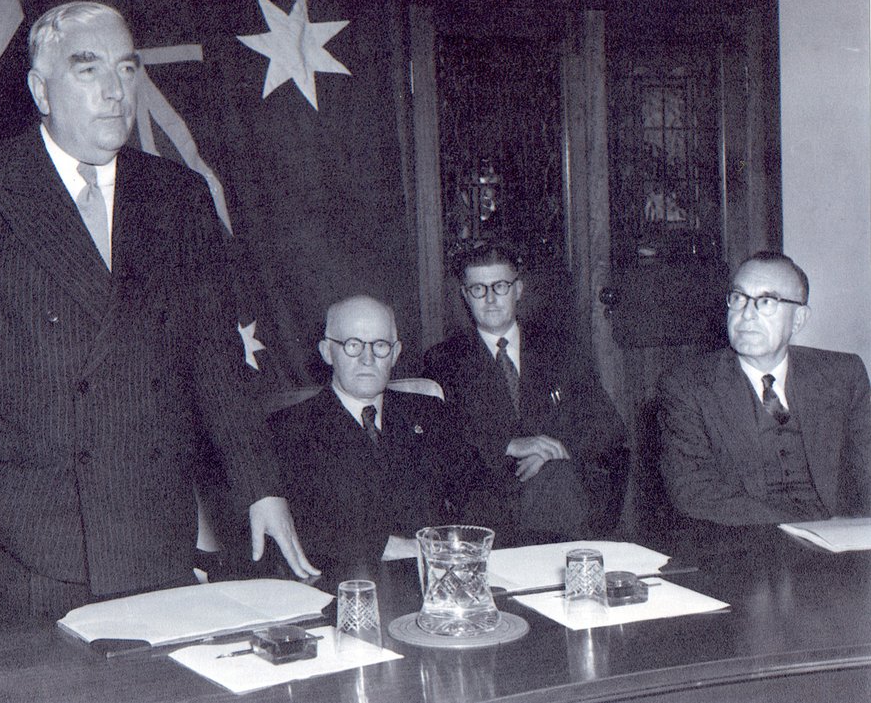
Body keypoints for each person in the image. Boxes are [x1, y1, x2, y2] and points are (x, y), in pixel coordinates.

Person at [0, 1, 317, 625]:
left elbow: (215, 363)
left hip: (152, 523)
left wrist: (260, 486)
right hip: (17, 531)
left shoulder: (177, 195)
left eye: (127, 69)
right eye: (89, 70)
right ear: (40, 90)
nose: (115, 91)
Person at [422, 243, 628, 545]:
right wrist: (508, 445)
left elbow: (608, 425)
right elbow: (440, 439)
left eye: (500, 286)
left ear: (518, 289)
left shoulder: (560, 350)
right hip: (488, 497)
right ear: (465, 296)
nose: (491, 299)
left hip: (562, 486)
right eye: (478, 289)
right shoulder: (444, 360)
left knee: (556, 480)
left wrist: (558, 449)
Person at [658, 251, 871, 525]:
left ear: (799, 319)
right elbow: (693, 493)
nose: (746, 315)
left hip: (842, 542)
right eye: (738, 299)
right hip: (749, 545)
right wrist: (803, 525)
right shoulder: (688, 386)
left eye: (766, 301)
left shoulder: (843, 375)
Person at [267, 295, 472, 567]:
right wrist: (391, 546)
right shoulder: (287, 429)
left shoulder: (431, 413)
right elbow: (298, 526)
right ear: (327, 352)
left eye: (380, 345)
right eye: (352, 345)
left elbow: (476, 494)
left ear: (396, 352)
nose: (367, 358)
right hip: (343, 584)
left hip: (437, 576)